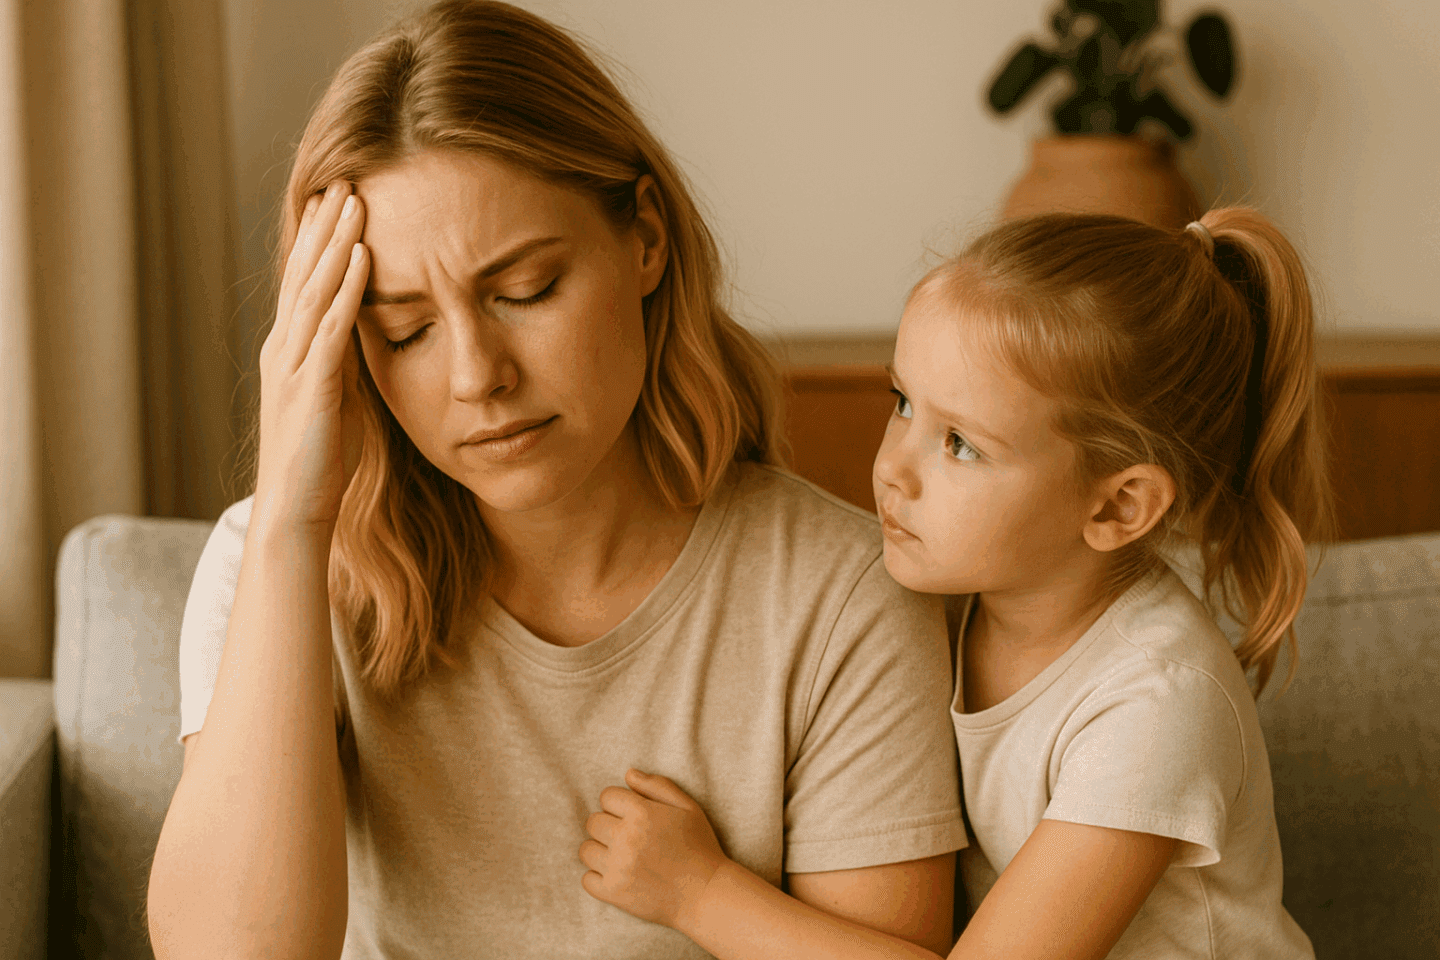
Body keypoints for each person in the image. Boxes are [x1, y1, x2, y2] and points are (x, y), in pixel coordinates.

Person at [144, 2, 967, 958]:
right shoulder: (272, 565)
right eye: (405, 329)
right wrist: (290, 517)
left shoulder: (840, 596)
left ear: (646, 238)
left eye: (524, 291)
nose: (475, 376)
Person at [578, 209, 1334, 960]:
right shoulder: (951, 598)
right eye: (902, 403)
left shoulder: (1158, 704)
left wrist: (701, 894)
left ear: (1116, 506)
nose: (892, 469)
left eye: (961, 445)